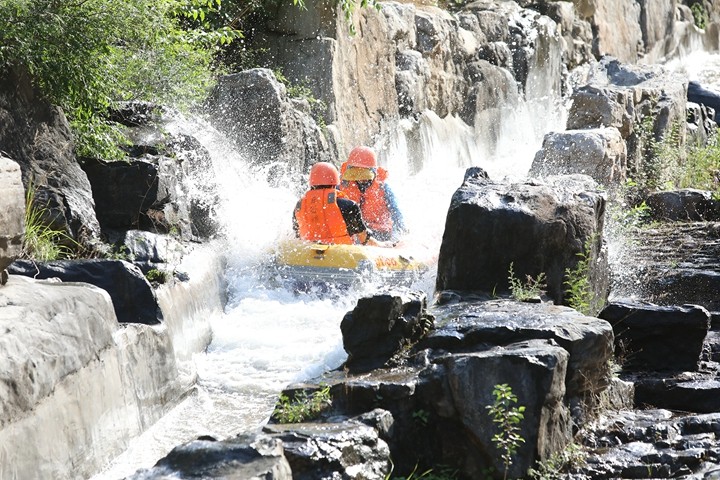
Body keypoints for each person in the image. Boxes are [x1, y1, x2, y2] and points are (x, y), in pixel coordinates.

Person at [293, 161, 382, 246]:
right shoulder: (349, 206)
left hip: (307, 255)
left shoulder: (299, 206)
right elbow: (364, 239)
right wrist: (384, 245)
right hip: (339, 254)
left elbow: (298, 236)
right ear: (335, 182)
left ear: (311, 183)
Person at [339, 146, 407, 242]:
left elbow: (397, 214)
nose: (361, 179)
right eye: (356, 174)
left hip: (380, 234)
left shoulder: (383, 188)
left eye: (364, 175)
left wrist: (397, 237)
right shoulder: (342, 187)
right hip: (355, 233)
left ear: (374, 172)